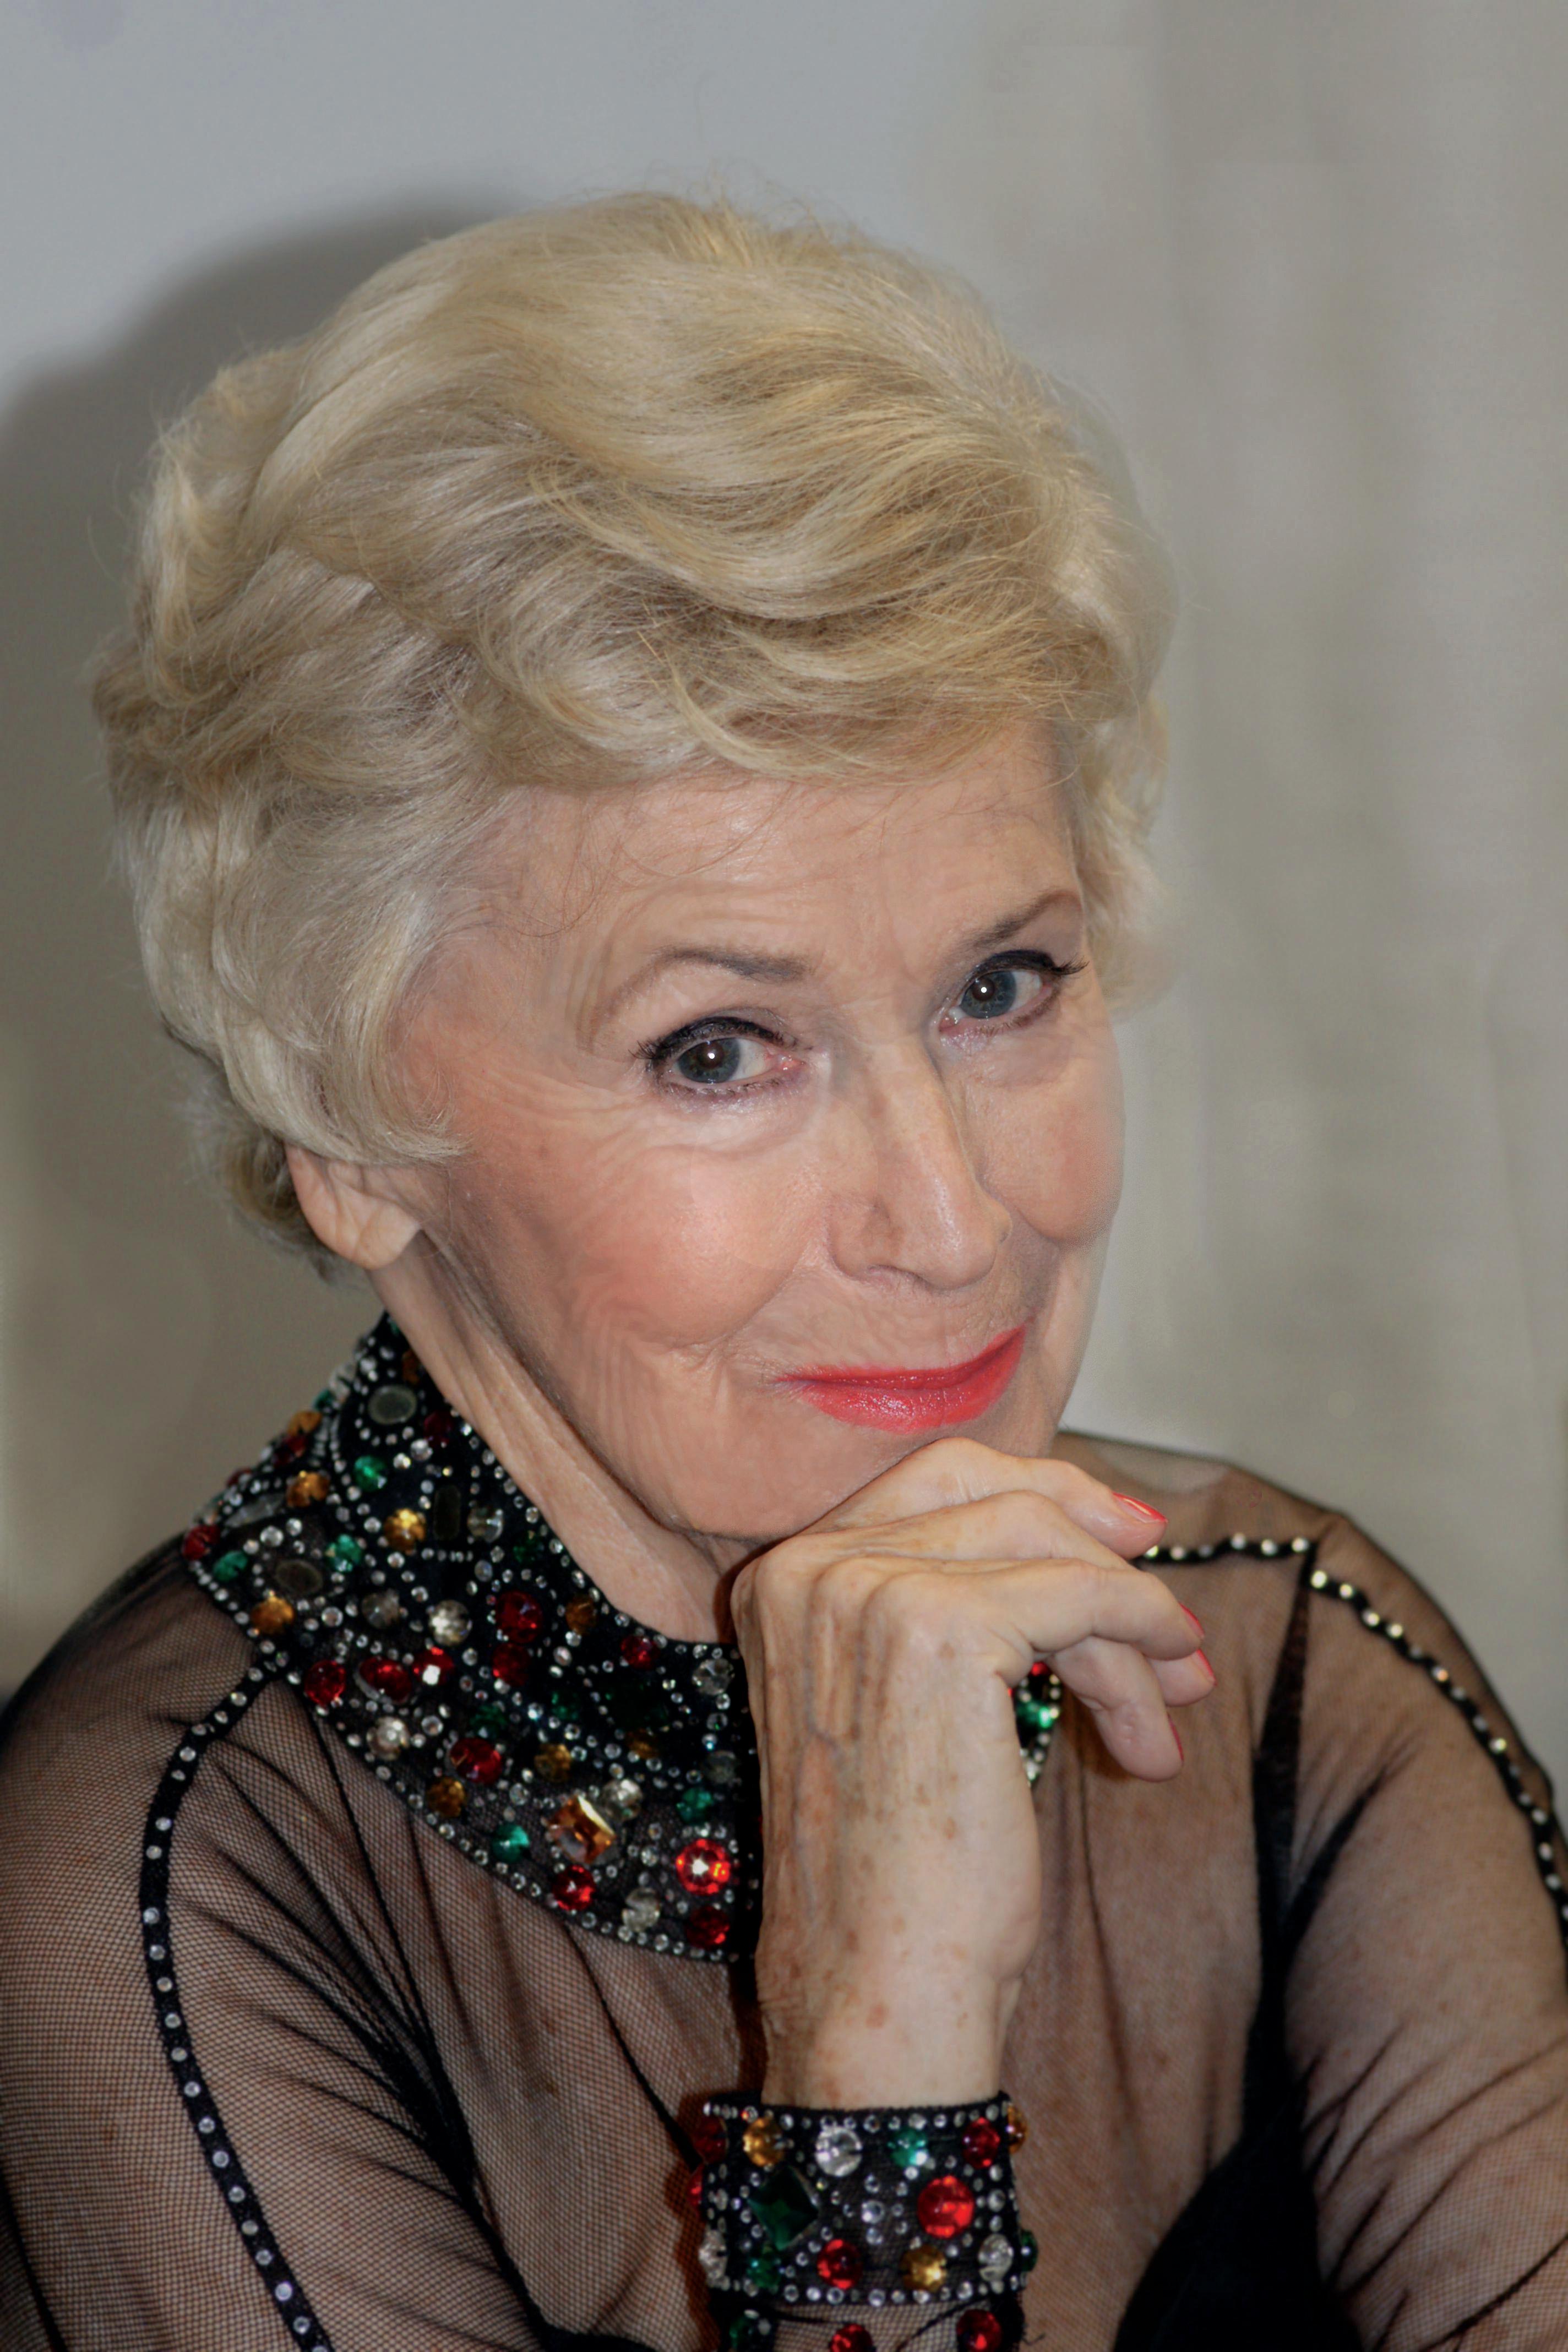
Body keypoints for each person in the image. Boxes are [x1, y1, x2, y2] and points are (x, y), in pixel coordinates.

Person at [0, 193, 1563, 2352]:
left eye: (1003, 987)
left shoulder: (1284, 1674)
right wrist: (876, 2048)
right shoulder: (165, 1877)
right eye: (718, 1051)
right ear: (347, 1133)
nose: (949, 1220)